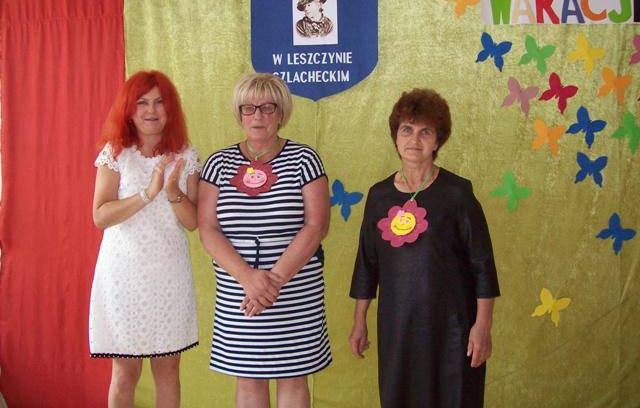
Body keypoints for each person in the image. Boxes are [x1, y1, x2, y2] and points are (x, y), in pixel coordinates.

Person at [349, 88, 500, 408]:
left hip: (453, 329)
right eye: (407, 129)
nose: (414, 139)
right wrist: (360, 320)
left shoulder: (457, 193)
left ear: (438, 140)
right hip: (398, 328)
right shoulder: (378, 196)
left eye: (425, 131)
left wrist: (482, 326)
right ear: (395, 136)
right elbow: (367, 264)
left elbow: (482, 265)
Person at [198, 73, 332, 408]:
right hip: (239, 290)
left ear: (281, 112)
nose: (257, 115)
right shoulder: (218, 163)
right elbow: (208, 229)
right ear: (239, 113)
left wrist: (272, 283)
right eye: (249, 108)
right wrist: (248, 279)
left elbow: (317, 226)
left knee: (293, 377)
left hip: (294, 289)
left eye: (267, 107)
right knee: (248, 379)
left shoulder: (305, 159)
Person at [89, 70, 200, 408]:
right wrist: (148, 193)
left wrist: (172, 192)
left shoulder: (186, 155)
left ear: (171, 108)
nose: (151, 110)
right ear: (129, 109)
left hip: (168, 274)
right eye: (142, 102)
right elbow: (100, 216)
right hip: (123, 275)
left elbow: (193, 222)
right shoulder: (116, 153)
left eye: (159, 102)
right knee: (125, 372)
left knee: (168, 369)